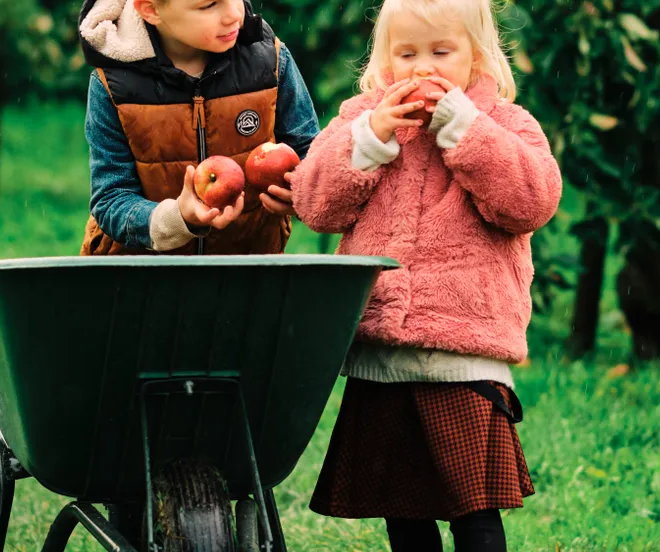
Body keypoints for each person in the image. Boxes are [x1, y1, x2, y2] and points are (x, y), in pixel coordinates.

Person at [288, 0, 562, 550]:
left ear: (475, 56)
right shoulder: (362, 119)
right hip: (382, 352)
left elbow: (531, 202)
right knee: (402, 507)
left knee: (474, 508)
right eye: (407, 53)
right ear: (385, 58)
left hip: (464, 347)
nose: (422, 67)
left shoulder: (504, 123)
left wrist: (467, 131)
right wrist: (370, 139)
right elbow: (315, 204)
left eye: (441, 51)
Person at [77, 0, 319, 256]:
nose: (234, 14)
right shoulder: (114, 84)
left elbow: (312, 155)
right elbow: (112, 199)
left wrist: (303, 193)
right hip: (142, 275)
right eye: (209, 5)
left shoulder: (270, 61)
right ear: (151, 9)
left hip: (249, 269)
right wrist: (177, 218)